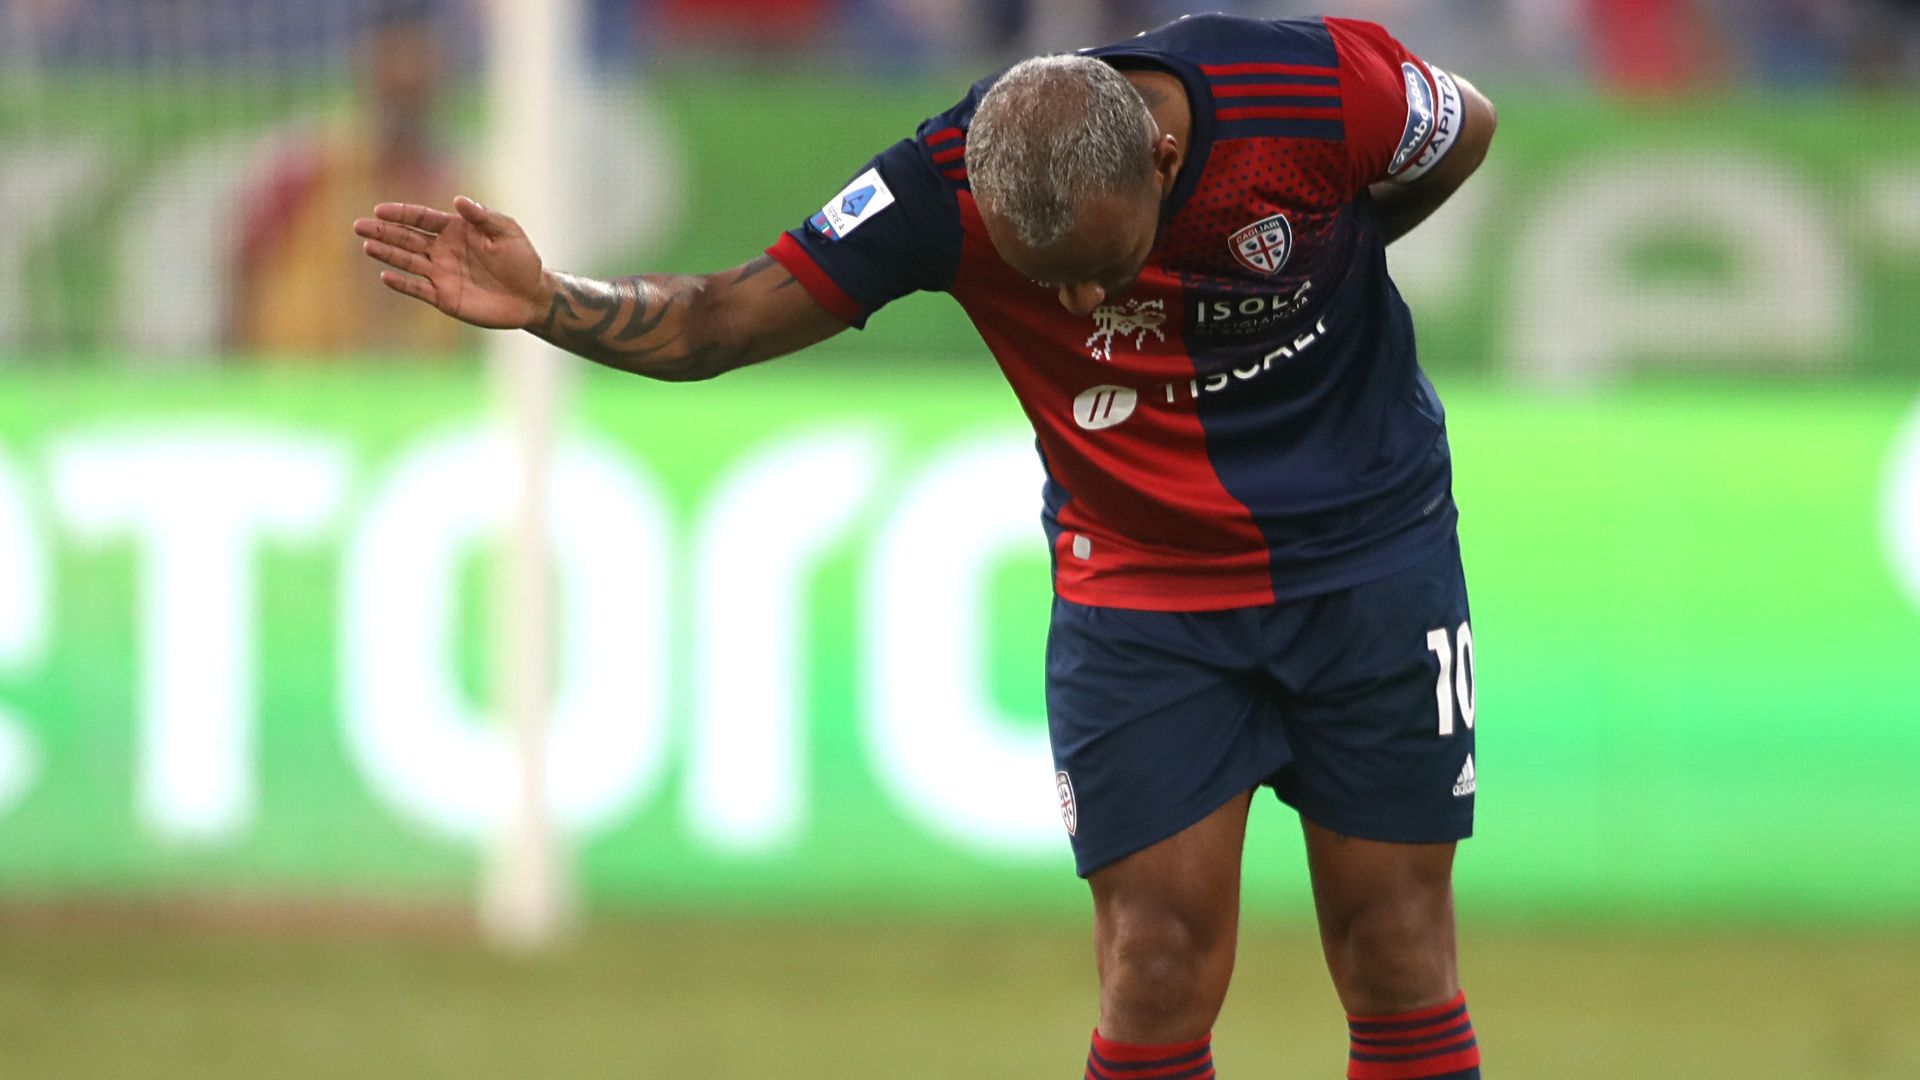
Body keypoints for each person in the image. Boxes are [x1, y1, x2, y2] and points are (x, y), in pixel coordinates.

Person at [356, 13, 1495, 1078]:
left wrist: (1348, 246)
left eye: (1105, 260)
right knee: (1153, 967)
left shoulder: (1306, 93)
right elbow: (722, 316)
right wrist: (551, 299)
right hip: (1144, 595)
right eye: (1052, 279)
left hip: (1373, 557)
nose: (1088, 295)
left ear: (1158, 157)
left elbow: (1466, 127)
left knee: (1395, 949)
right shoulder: (940, 184)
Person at [235, 0, 462, 356]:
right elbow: (245, 274)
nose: (405, 75)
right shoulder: (308, 171)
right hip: (295, 385)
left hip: (422, 393)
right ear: (369, 65)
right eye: (393, 58)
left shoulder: (459, 193)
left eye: (418, 60)